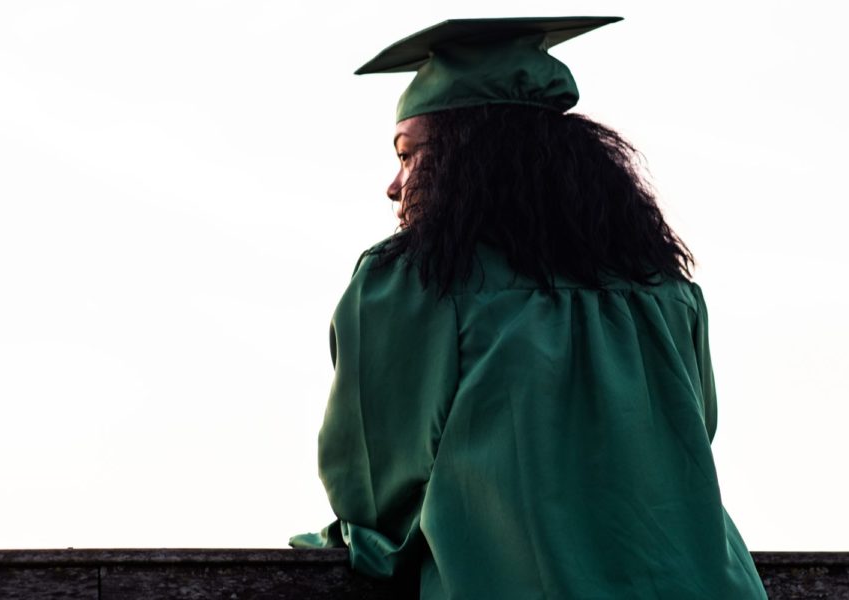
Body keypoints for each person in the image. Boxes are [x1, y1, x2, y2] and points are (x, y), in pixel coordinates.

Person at [292, 17, 768, 599]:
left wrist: (359, 540)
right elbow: (690, 441)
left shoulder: (416, 281)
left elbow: (375, 488)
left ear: (464, 163)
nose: (394, 185)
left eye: (409, 155)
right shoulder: (664, 288)